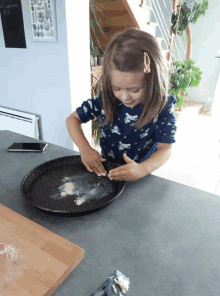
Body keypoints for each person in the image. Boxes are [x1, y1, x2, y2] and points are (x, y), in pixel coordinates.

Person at [66, 28, 177, 182]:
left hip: (141, 173)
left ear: (153, 81)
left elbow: (165, 149)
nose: (125, 97)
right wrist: (85, 148)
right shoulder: (107, 98)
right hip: (108, 169)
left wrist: (142, 169)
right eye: (117, 88)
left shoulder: (163, 106)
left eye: (134, 89)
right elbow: (72, 119)